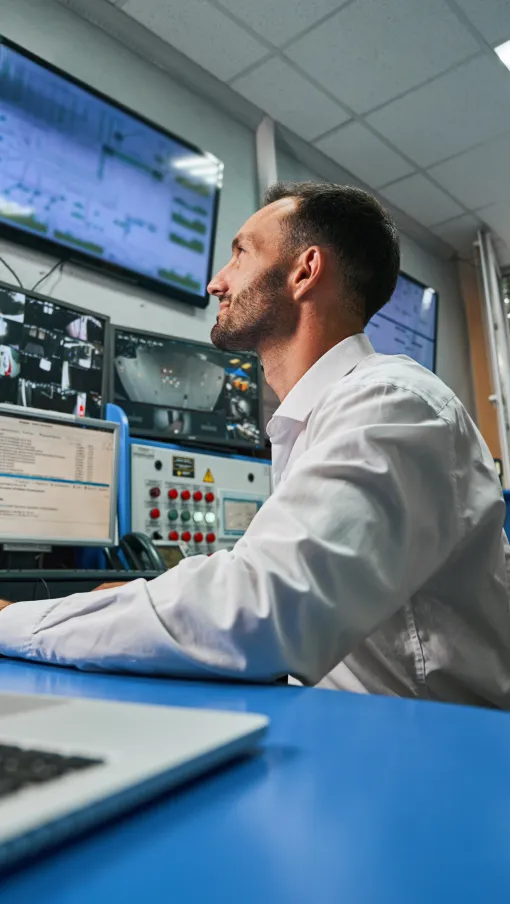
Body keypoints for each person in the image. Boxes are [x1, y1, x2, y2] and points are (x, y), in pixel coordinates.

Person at [1, 182, 509, 708]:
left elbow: (259, 608)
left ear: (305, 272)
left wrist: (11, 621)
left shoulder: (390, 403)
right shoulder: (318, 420)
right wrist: (141, 601)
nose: (216, 281)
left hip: (434, 759)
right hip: (367, 739)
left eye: (240, 253)